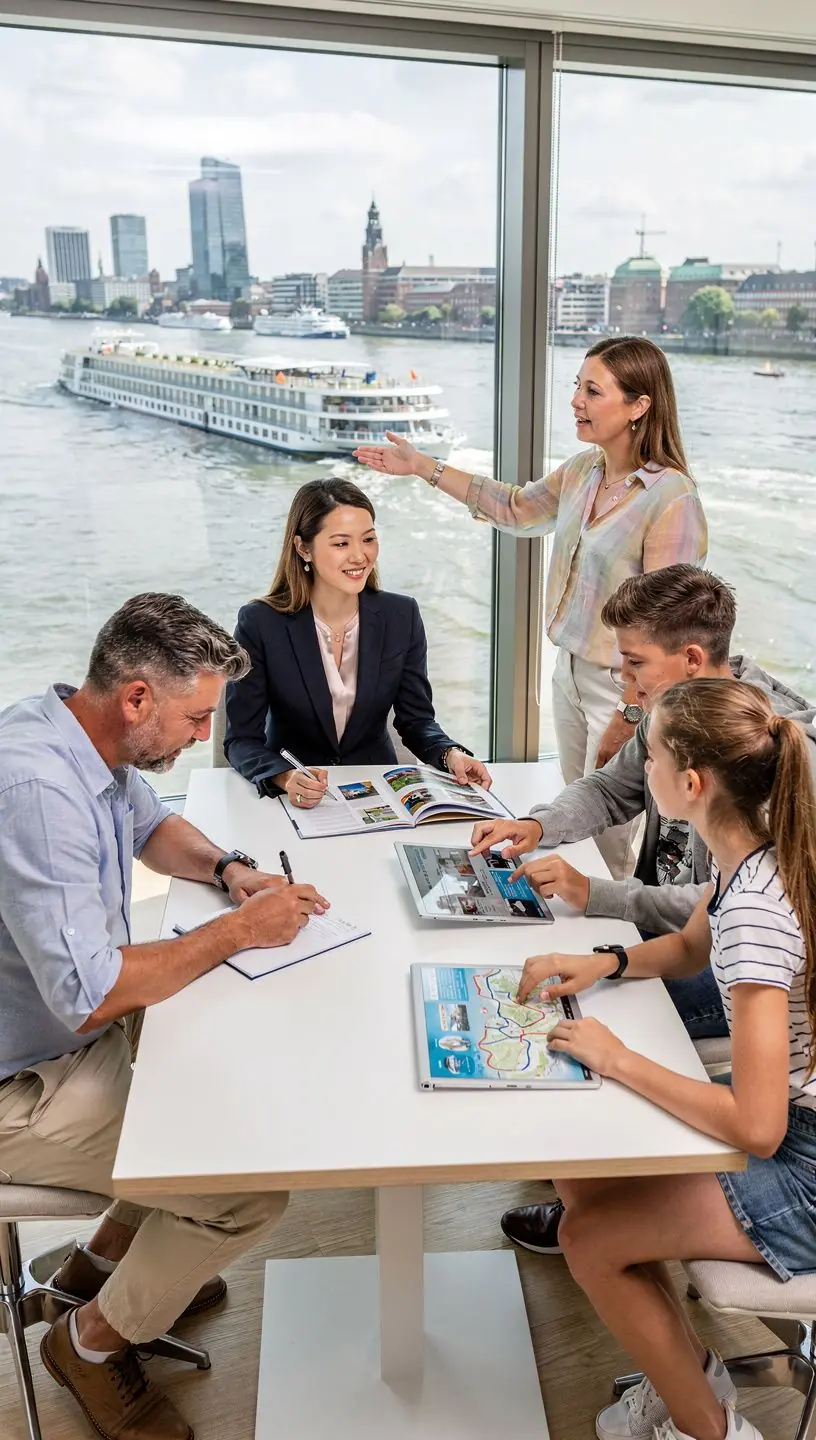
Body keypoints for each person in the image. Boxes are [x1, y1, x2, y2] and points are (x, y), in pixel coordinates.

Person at [0, 593, 328, 1440]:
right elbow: (94, 993)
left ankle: (105, 1266)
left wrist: (229, 871)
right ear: (137, 697)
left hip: (68, 1032)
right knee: (245, 1192)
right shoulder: (36, 788)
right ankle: (91, 1343)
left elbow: (153, 829)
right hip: (24, 1080)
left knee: (224, 1078)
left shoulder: (80, 732)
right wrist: (236, 932)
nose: (199, 737)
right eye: (195, 718)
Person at [473, 565, 816, 1255]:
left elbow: (731, 915)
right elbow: (613, 793)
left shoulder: (778, 753)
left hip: (761, 980)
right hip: (714, 949)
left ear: (692, 661)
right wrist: (540, 826)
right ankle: (607, 1188)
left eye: (634, 666)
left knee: (611, 1028)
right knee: (592, 1004)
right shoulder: (673, 716)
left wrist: (595, 896)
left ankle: (628, 1209)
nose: (625, 690)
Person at [510, 677, 816, 1440]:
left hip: (807, 1163)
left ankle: (708, 1427)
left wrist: (617, 1058)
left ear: (688, 783)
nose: (635, 768)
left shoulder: (758, 913)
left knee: (589, 1237)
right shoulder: (750, 853)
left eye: (646, 757)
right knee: (578, 1163)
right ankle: (687, 1371)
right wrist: (605, 964)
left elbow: (758, 1126)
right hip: (798, 1130)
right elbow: (685, 947)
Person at [354, 336, 707, 878]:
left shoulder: (671, 499)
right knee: (578, 813)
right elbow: (515, 508)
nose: (576, 401)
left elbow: (668, 627)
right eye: (576, 387)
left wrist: (630, 714)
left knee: (609, 833)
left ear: (639, 406)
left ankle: (617, 950)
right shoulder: (584, 471)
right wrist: (423, 466)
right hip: (570, 672)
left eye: (593, 390)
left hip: (625, 687)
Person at [224, 477, 489, 806]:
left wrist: (450, 755)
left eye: (368, 539)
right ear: (303, 547)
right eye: (341, 544)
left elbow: (416, 720)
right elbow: (241, 740)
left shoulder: (401, 615)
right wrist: (284, 776)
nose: (360, 556)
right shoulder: (261, 623)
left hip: (380, 796)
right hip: (294, 800)